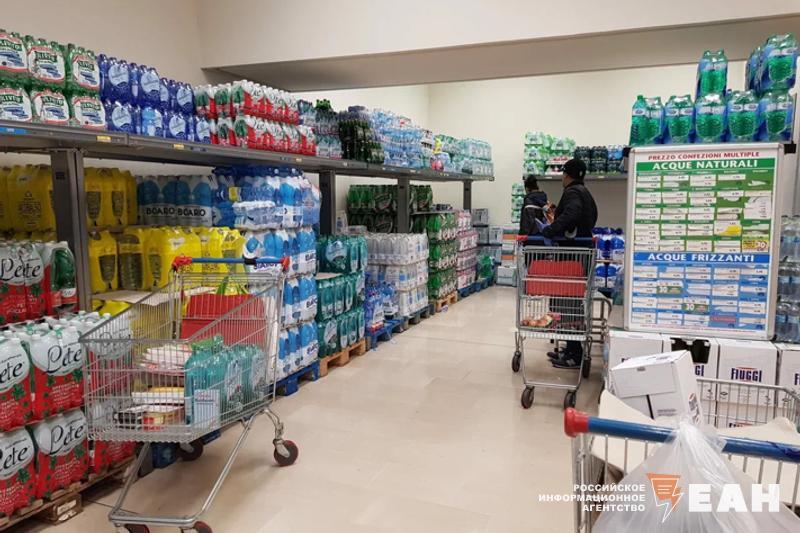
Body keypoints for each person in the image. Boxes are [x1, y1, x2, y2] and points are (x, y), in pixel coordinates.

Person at [540, 158, 598, 369]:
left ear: (567, 174)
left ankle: (574, 355)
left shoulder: (572, 192)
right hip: (580, 254)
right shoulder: (584, 192)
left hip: (573, 257)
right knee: (570, 302)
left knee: (568, 303)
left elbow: (572, 214)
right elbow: (590, 217)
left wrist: (551, 229)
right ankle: (572, 349)